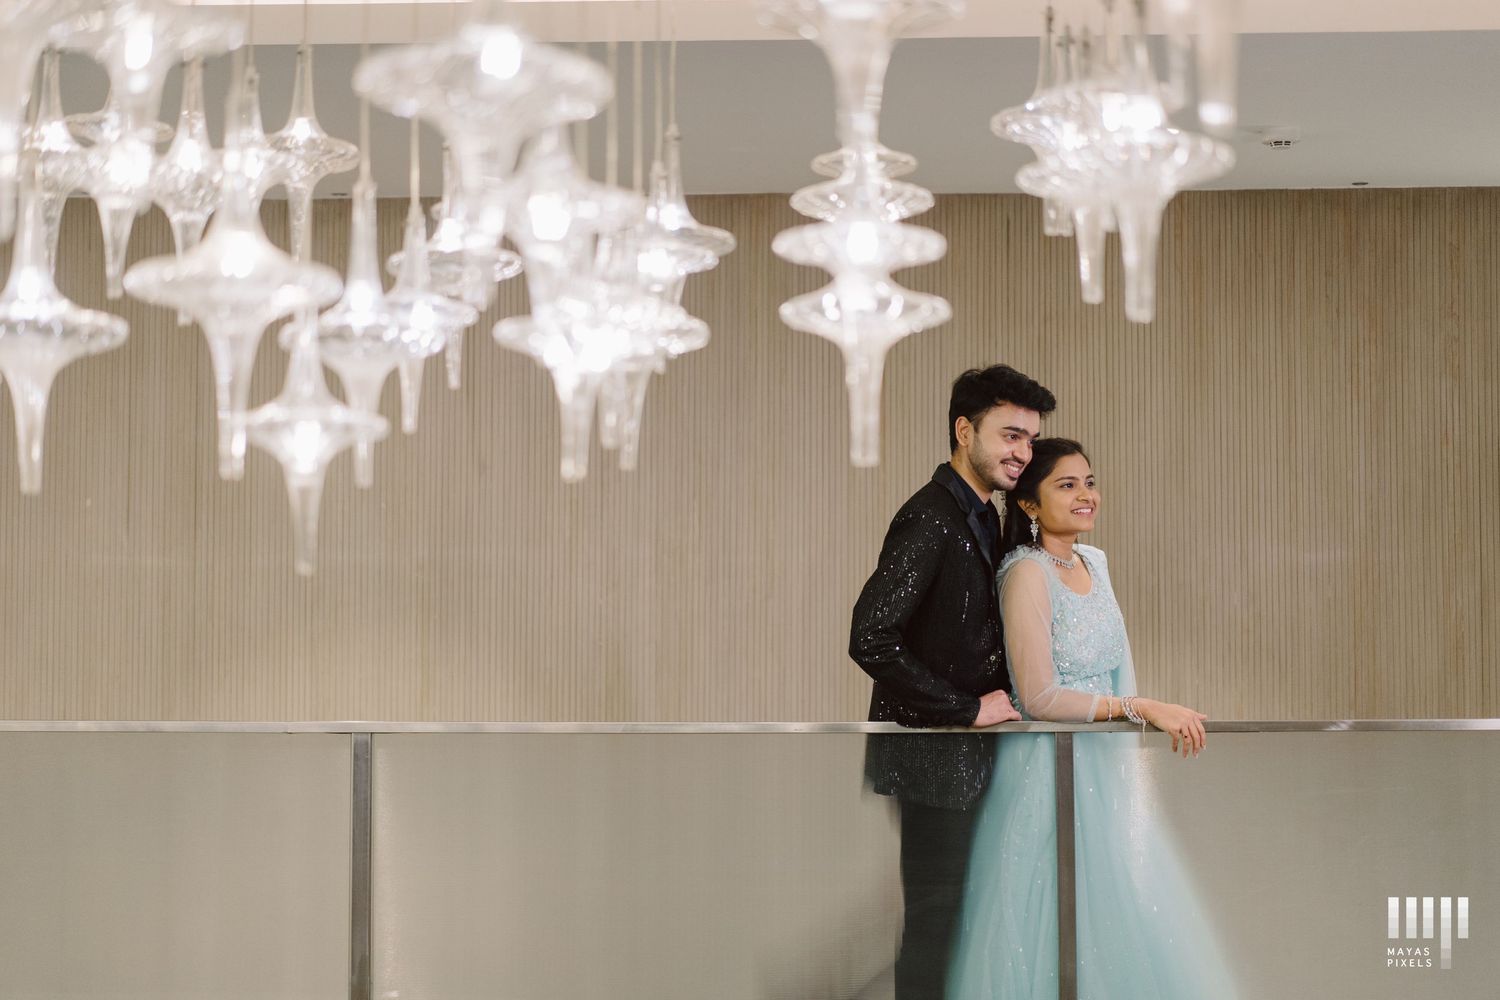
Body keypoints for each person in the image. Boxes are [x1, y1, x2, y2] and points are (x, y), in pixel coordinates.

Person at [947, 438, 1238, 999]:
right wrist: (1139, 708)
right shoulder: (1025, 573)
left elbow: (1118, 667)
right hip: (1046, 769)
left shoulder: (1095, 562)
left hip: (1105, 766)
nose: (1087, 495)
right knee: (1051, 913)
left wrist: (1129, 761)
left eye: (1090, 482)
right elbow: (1037, 696)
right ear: (1029, 503)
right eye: (1067, 485)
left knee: (1124, 903)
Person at [849, 364, 1057, 1000]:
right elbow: (870, 636)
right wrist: (965, 709)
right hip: (933, 763)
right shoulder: (931, 516)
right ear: (964, 431)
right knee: (935, 929)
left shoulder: (988, 513)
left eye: (1029, 439)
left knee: (964, 922)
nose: (1023, 453)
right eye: (1010, 435)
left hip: (974, 761)